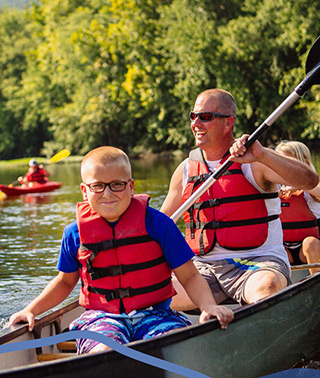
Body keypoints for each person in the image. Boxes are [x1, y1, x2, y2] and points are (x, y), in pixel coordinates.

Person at [9, 146, 233, 355]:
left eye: (117, 184)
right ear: (84, 191)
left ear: (131, 186)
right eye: (98, 186)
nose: (107, 194)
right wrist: (32, 310)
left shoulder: (160, 225)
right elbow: (65, 282)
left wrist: (208, 306)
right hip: (100, 318)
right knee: (106, 351)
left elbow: (190, 275)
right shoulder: (73, 234)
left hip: (156, 314)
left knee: (174, 344)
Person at [160, 88, 319, 310]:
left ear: (228, 123)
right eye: (193, 116)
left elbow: (310, 180)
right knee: (159, 293)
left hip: (258, 263)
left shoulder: (254, 161)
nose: (196, 123)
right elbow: (161, 221)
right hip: (204, 268)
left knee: (267, 287)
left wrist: (264, 154)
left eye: (205, 117)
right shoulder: (186, 170)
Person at [275, 140, 320, 275]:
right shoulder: (274, 188)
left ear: (304, 164)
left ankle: (316, 286)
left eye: (287, 161)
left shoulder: (310, 191)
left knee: (310, 243)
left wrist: (299, 186)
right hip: (284, 249)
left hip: (308, 250)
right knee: (271, 250)